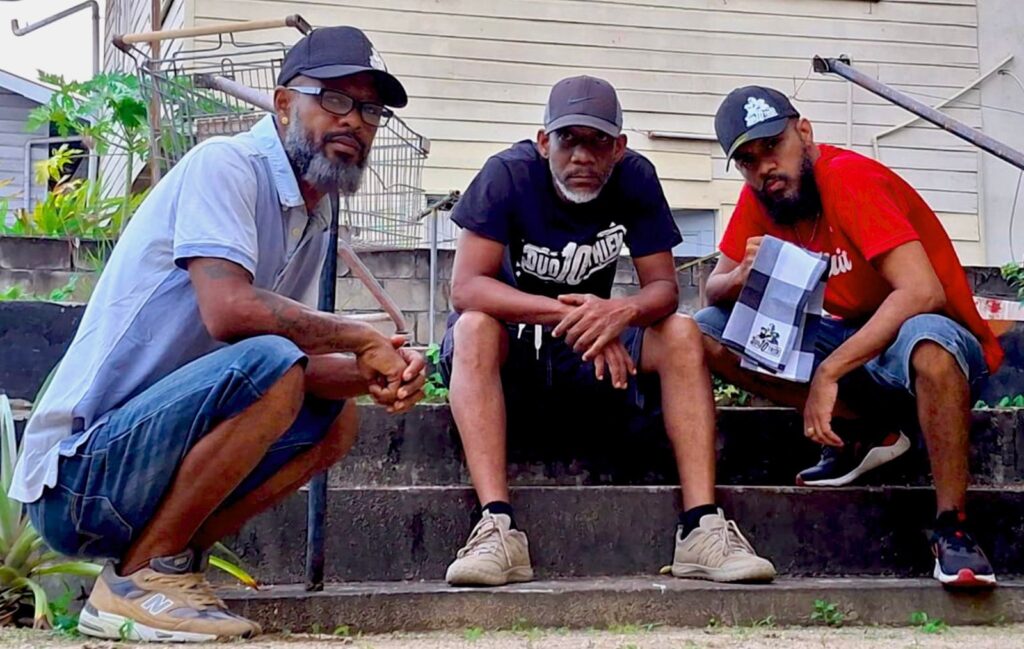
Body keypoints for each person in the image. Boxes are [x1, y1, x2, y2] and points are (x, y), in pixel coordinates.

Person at [9, 26, 425, 641]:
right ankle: (140, 579)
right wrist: (357, 335)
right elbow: (230, 312)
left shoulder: (310, 218)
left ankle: (167, 569)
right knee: (274, 362)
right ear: (283, 103)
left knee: (334, 418)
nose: (354, 121)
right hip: (78, 478)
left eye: (370, 110)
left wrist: (374, 373)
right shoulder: (226, 165)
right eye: (335, 99)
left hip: (144, 465)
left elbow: (290, 366)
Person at [439, 75, 775, 587]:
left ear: (618, 147)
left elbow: (663, 289)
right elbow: (465, 288)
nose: (583, 155)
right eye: (568, 139)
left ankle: (701, 528)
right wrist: (582, 318)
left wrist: (620, 314)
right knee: (473, 328)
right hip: (512, 354)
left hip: (589, 352)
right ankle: (497, 529)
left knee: (681, 333)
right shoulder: (507, 174)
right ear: (544, 141)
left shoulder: (635, 177)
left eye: (598, 141)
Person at [696, 86, 1004, 588]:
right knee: (706, 331)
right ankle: (868, 432)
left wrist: (830, 370)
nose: (765, 167)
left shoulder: (848, 178)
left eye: (772, 146)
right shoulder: (764, 198)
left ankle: (954, 527)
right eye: (748, 160)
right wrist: (740, 275)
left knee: (928, 342)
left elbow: (922, 291)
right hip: (854, 343)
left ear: (804, 132)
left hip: (927, 343)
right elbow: (712, 291)